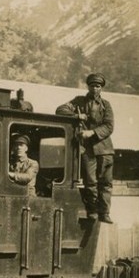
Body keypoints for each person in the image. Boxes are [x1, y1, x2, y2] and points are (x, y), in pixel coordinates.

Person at [55, 72, 114, 223]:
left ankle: (105, 213)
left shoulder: (106, 105)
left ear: (101, 88)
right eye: (93, 86)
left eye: (98, 86)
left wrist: (92, 132)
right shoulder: (78, 101)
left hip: (105, 149)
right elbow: (60, 110)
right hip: (87, 150)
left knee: (105, 183)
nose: (95, 89)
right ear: (88, 86)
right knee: (90, 181)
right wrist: (76, 116)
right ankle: (93, 210)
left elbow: (109, 126)